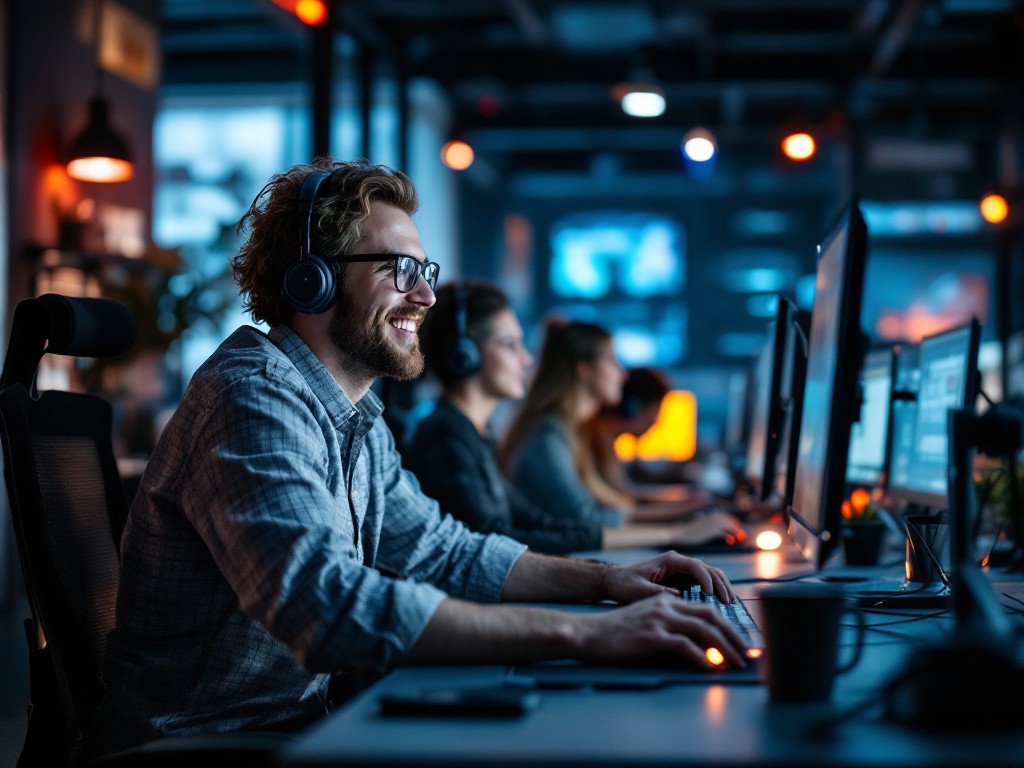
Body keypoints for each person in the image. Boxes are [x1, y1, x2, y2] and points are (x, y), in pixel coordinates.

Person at [95, 158, 747, 756]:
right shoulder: (251, 399)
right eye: (399, 270)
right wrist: (586, 635)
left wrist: (604, 582)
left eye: (425, 272)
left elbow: (441, 551)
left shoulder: (354, 415)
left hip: (300, 724)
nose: (427, 297)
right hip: (207, 744)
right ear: (313, 279)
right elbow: (325, 610)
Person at [407, 282, 723, 553]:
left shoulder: (474, 433)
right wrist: (674, 534)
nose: (527, 358)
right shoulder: (446, 437)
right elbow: (499, 541)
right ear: (465, 355)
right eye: (509, 345)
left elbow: (533, 521)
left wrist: (676, 531)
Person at [500, 319, 742, 536]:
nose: (623, 375)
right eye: (612, 361)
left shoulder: (569, 432)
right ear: (584, 370)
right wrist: (679, 529)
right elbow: (585, 519)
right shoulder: (548, 436)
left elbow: (603, 505)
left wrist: (684, 511)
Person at [585, 366, 704, 507]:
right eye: (656, 410)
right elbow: (617, 507)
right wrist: (687, 509)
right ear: (633, 407)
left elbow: (624, 496)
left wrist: (685, 499)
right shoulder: (592, 441)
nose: (656, 421)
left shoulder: (606, 442)